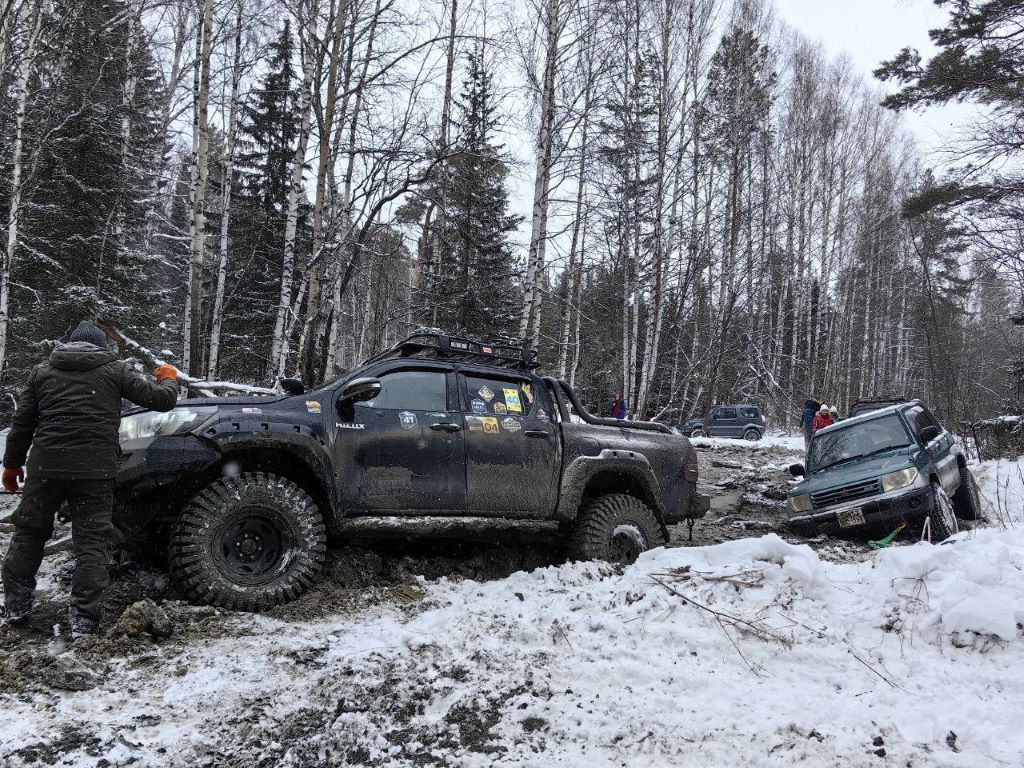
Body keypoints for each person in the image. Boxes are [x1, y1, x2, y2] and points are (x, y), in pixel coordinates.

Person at [0, 321, 180, 637]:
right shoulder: (116, 370)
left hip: (46, 468)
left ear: (69, 344)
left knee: (29, 533)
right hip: (94, 471)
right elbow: (162, 400)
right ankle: (84, 619)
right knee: (93, 543)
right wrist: (168, 379)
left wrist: (12, 466)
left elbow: (22, 424)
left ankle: (17, 607)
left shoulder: (42, 372)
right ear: (102, 346)